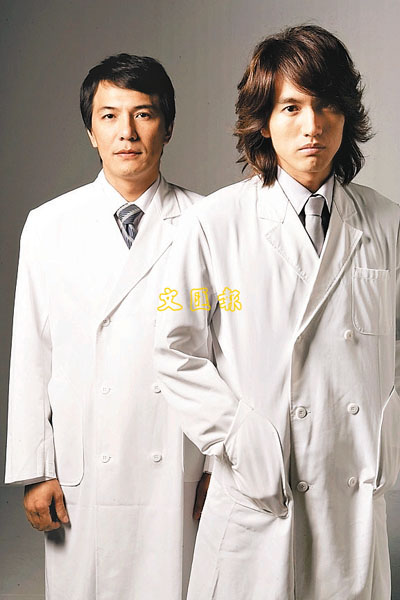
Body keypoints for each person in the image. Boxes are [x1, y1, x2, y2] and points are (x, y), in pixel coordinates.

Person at [155, 25, 400, 599]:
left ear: (346, 115)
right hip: (259, 490)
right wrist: (239, 436)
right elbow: (174, 348)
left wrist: (388, 434)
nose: (313, 125)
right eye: (291, 107)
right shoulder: (214, 224)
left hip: (352, 489)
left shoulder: (389, 224)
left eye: (327, 104)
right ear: (263, 119)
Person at [5, 53, 209, 600]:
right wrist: (35, 469)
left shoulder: (208, 222)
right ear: (91, 131)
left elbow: (229, 346)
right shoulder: (49, 225)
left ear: (167, 125)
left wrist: (220, 465)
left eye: (143, 114)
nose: (127, 132)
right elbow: (32, 352)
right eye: (110, 116)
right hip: (83, 463)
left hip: (177, 461)